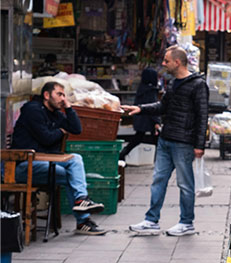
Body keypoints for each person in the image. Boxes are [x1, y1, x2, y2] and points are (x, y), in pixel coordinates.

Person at [123, 46, 208, 236]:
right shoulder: (173, 83)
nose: (163, 64)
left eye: (166, 60)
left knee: (185, 184)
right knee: (158, 180)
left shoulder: (197, 85)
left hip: (184, 141)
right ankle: (151, 220)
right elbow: (163, 106)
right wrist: (140, 109)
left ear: (177, 62)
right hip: (165, 139)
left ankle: (186, 222)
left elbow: (203, 115)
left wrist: (199, 145)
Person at [11, 81, 106, 235]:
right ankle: (82, 216)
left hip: (43, 164)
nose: (62, 98)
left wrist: (68, 107)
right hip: (23, 167)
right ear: (47, 95)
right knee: (74, 163)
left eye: (64, 95)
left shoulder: (56, 114)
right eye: (59, 94)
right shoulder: (33, 110)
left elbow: (76, 129)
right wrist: (61, 132)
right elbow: (46, 138)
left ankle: (82, 207)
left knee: (74, 170)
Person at [120, 68, 161, 162]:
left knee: (138, 137)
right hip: (148, 118)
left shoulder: (142, 88)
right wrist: (157, 121)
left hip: (141, 117)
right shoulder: (151, 90)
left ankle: (123, 153)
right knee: (156, 140)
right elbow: (153, 106)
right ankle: (158, 161)